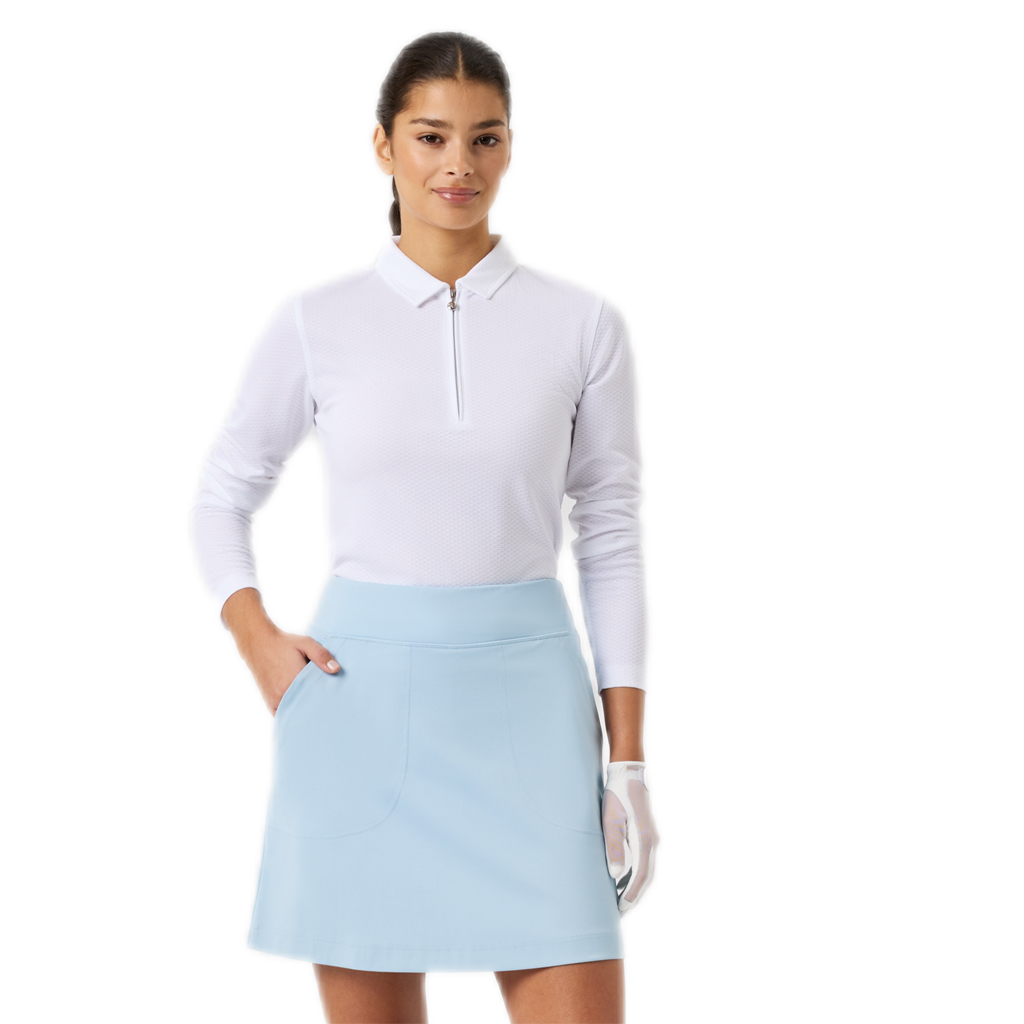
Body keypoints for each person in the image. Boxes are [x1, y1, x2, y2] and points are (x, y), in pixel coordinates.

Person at [188, 30, 659, 1024]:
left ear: (510, 146)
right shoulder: (319, 321)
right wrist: (255, 637)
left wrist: (627, 760)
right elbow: (223, 492)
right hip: (357, 714)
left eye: (485, 138)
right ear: (383, 145)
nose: (458, 165)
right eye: (431, 136)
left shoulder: (581, 325)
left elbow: (610, 535)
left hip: (530, 716)